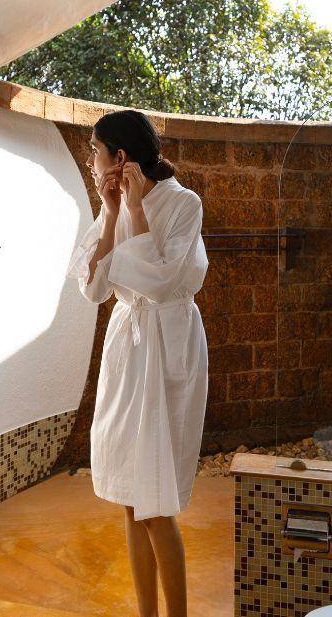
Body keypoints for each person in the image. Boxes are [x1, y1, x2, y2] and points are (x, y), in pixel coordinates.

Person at [66, 109, 209, 617]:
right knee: (131, 493)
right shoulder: (110, 206)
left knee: (156, 500)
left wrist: (138, 212)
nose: (90, 159)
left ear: (120, 156)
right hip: (128, 347)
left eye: (94, 151)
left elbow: (168, 279)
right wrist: (110, 214)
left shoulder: (182, 203)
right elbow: (93, 287)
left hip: (168, 346)